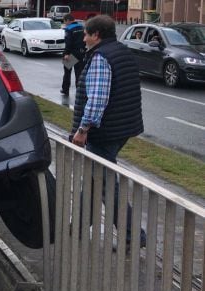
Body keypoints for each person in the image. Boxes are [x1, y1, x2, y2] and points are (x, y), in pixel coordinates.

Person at [71, 15, 145, 247]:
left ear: (96, 35)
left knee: (103, 182)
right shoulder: (121, 51)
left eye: (85, 34)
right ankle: (79, 226)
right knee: (95, 179)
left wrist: (83, 129)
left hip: (103, 131)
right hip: (121, 127)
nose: (83, 38)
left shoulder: (101, 57)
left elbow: (97, 99)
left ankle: (133, 235)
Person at [61, 14, 86, 96]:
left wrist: (66, 54)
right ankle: (79, 92)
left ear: (68, 20)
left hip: (71, 54)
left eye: (64, 21)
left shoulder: (68, 29)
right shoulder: (81, 27)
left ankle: (65, 90)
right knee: (79, 73)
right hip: (81, 53)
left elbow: (68, 43)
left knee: (67, 73)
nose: (64, 23)